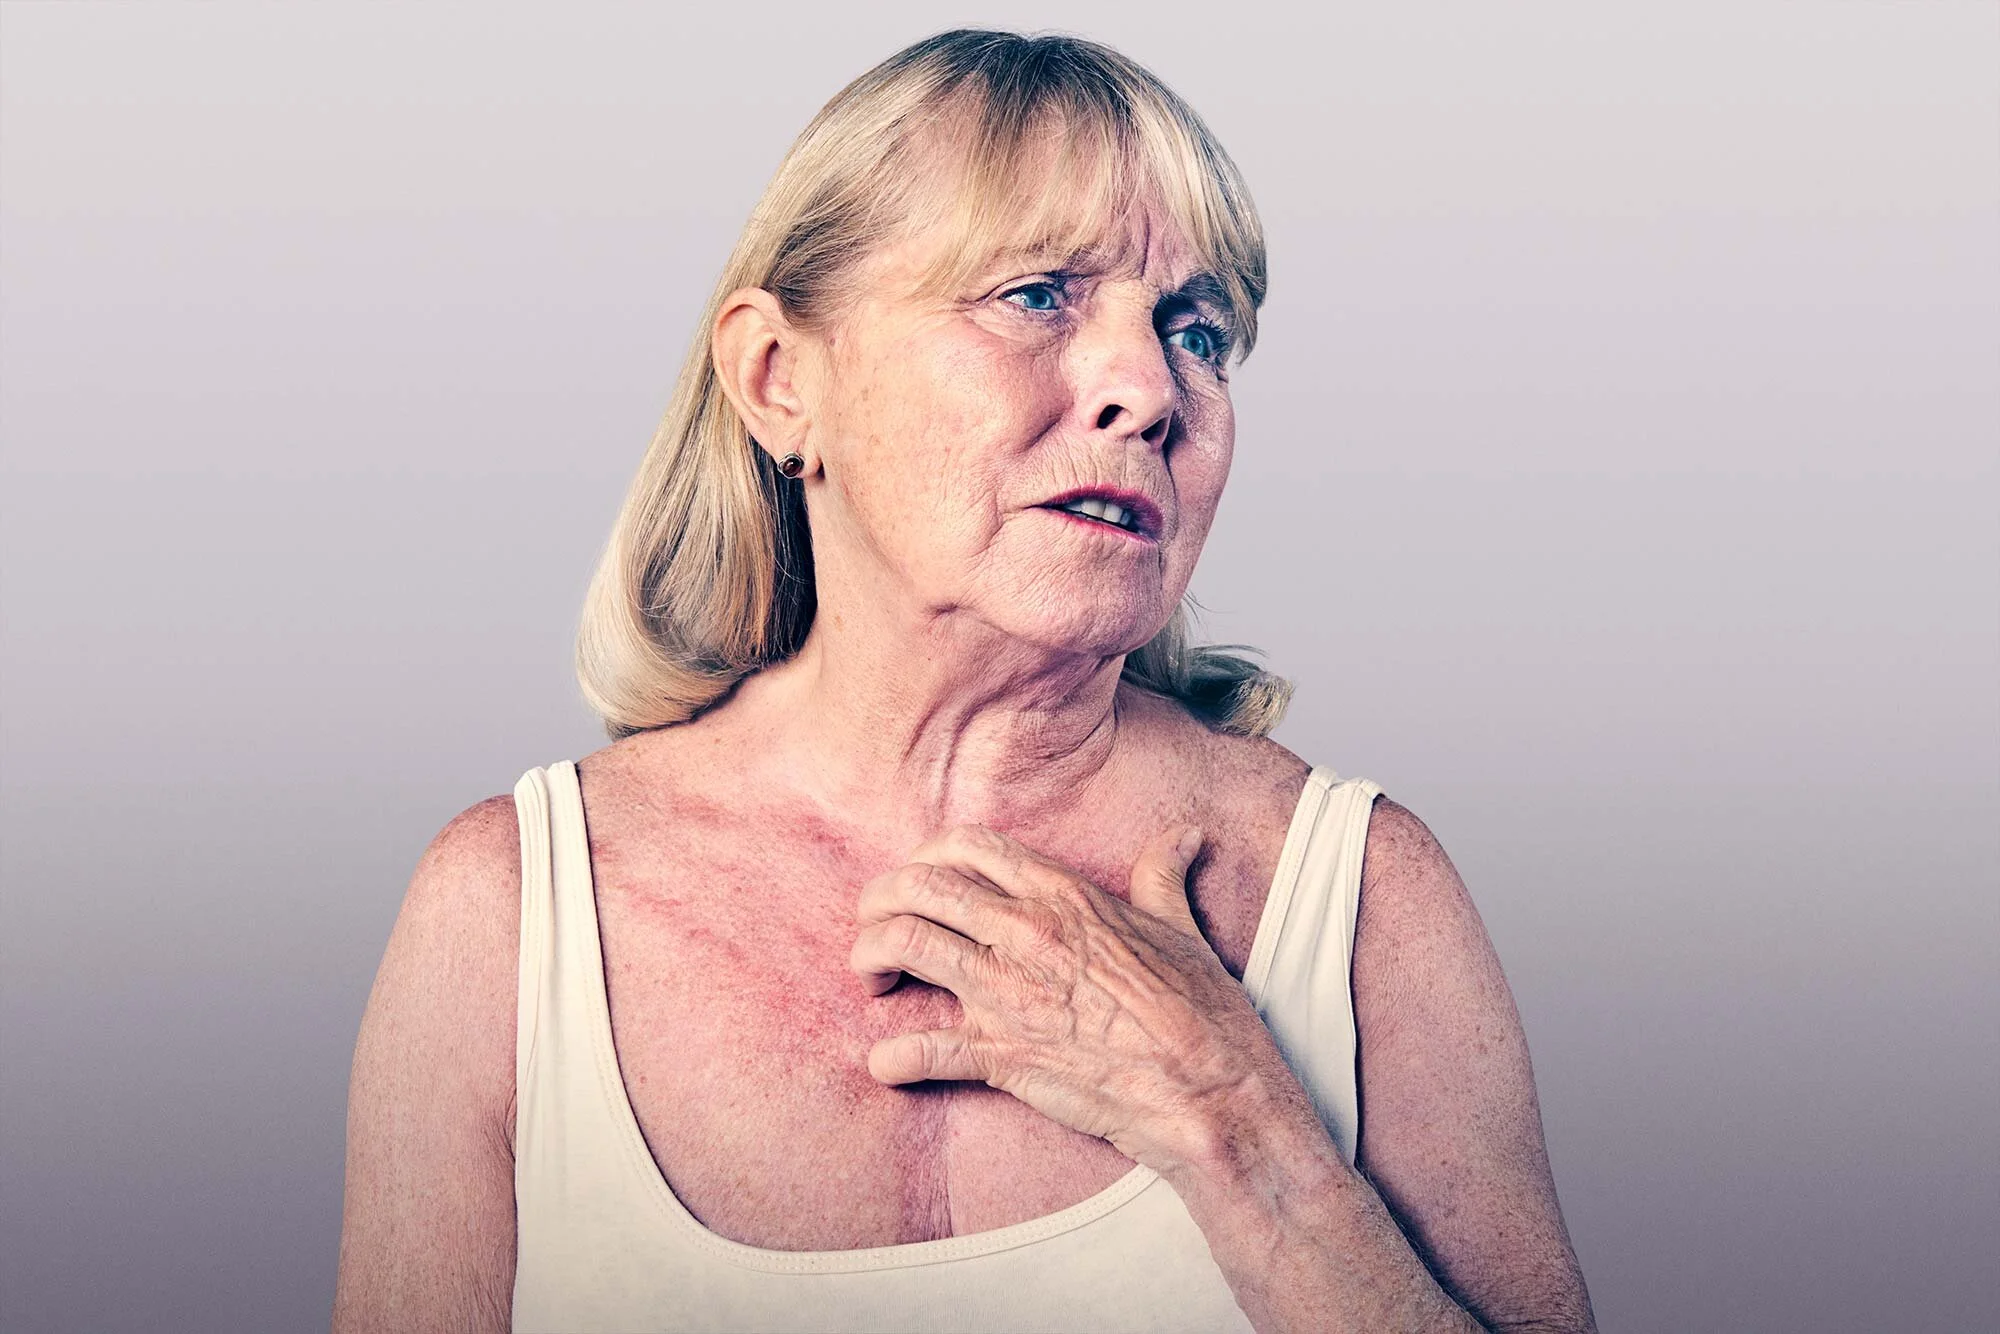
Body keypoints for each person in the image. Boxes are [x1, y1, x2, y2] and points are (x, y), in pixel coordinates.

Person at [333, 29, 1595, 1334]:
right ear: (779, 380)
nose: (1149, 388)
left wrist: (1236, 1119)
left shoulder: (1365, 898)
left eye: (1198, 330)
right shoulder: (509, 914)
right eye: (1036, 294)